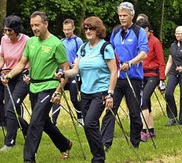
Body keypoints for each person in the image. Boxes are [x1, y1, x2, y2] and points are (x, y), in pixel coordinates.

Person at [2, 11, 72, 161]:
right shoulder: (31, 42)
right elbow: (21, 64)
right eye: (32, 25)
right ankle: (65, 144)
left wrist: (59, 91)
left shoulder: (56, 44)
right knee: (44, 122)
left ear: (45, 24)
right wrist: (8, 76)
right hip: (33, 86)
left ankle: (28, 158)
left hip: (49, 86)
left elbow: (65, 70)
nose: (34, 28)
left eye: (37, 25)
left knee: (35, 122)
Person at [59, 16, 117, 162]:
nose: (88, 31)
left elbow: (114, 71)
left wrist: (110, 94)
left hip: (101, 92)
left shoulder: (105, 47)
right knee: (88, 126)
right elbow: (75, 70)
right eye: (86, 28)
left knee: (90, 122)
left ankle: (98, 158)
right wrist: (63, 73)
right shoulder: (83, 48)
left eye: (91, 28)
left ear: (98, 30)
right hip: (85, 92)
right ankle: (97, 154)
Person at [101, 2, 149, 150]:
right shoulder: (115, 31)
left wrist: (131, 62)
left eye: (124, 16)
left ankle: (135, 143)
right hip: (117, 77)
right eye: (120, 15)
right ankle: (105, 143)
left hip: (133, 77)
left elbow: (143, 53)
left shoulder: (139, 31)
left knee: (134, 112)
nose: (122, 18)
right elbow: (110, 51)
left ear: (132, 16)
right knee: (110, 110)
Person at [0, 15, 30, 151]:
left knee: (11, 108)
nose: (7, 33)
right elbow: (1, 61)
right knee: (8, 111)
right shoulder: (4, 40)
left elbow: (23, 63)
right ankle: (27, 130)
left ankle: (9, 142)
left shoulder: (27, 41)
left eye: (10, 31)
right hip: (7, 77)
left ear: (17, 30)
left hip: (22, 76)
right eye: (5, 30)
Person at [136, 18, 164, 141]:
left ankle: (142, 131)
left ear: (147, 29)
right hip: (142, 74)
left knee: (143, 100)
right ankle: (151, 130)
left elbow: (161, 61)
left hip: (153, 75)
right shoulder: (140, 41)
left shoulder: (155, 42)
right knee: (146, 103)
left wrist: (162, 79)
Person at [52, 18, 84, 125]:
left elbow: (82, 55)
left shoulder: (77, 41)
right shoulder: (61, 42)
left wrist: (77, 64)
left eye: (69, 30)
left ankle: (80, 118)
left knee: (74, 98)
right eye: (65, 30)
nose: (67, 32)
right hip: (63, 74)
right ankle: (54, 121)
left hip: (73, 74)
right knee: (57, 94)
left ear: (73, 28)